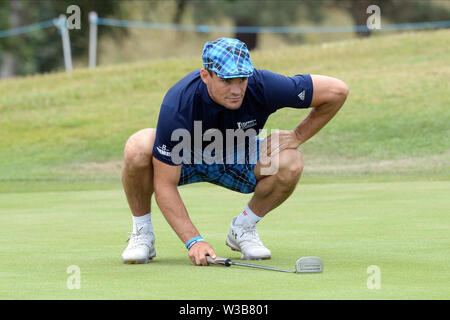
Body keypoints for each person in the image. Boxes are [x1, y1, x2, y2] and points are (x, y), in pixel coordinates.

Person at [121, 37, 349, 266]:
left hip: (239, 156)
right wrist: (194, 241)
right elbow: (164, 185)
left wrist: (299, 135)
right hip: (186, 157)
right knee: (138, 146)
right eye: (227, 81)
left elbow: (337, 91)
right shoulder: (179, 102)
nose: (237, 89)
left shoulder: (263, 86)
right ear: (205, 75)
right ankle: (143, 233)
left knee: (291, 161)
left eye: (242, 79)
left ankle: (243, 229)